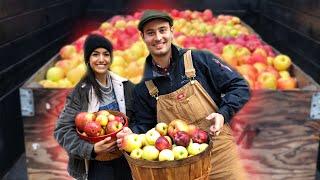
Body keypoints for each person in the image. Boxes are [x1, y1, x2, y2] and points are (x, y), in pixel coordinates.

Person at [117, 10, 250, 179]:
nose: (158, 37)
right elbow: (145, 125)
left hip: (221, 156)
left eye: (162, 30)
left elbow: (239, 86)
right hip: (180, 167)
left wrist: (223, 114)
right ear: (143, 37)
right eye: (150, 33)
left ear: (172, 31)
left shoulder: (200, 60)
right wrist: (131, 134)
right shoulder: (144, 89)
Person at [54, 34, 133, 180]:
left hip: (125, 158)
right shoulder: (80, 92)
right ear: (88, 59)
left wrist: (131, 133)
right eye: (95, 54)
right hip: (97, 163)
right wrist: (91, 149)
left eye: (106, 54)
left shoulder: (125, 86)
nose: (101, 59)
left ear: (111, 58)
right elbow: (62, 131)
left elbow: (138, 118)